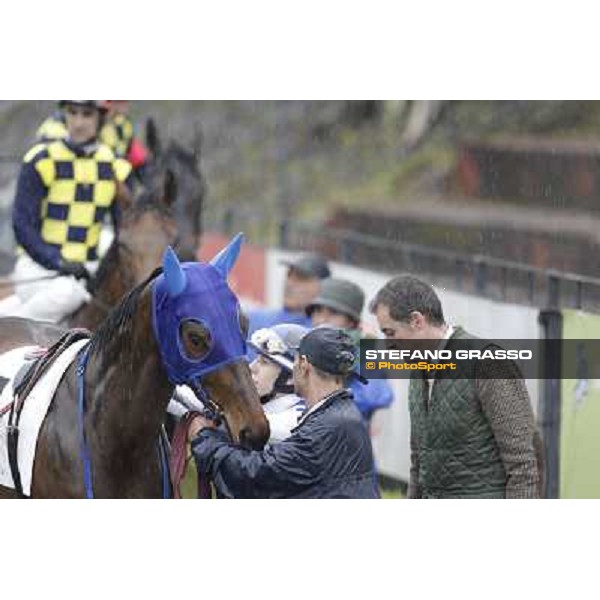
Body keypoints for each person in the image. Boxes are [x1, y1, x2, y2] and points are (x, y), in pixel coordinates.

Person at [370, 274, 541, 499]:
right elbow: (418, 464)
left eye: (391, 333)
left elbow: (524, 466)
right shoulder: (418, 368)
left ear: (417, 321)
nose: (389, 346)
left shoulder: (488, 361)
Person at [187, 327, 380, 498]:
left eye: (263, 361)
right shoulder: (341, 415)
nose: (252, 367)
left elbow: (254, 476)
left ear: (303, 365)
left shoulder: (325, 428)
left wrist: (203, 438)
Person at [0, 101, 133, 323]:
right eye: (72, 113)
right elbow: (22, 226)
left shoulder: (115, 168)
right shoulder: (40, 159)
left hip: (87, 271)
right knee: (68, 294)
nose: (78, 123)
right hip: (37, 268)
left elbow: (124, 230)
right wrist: (59, 262)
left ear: (100, 118)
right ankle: (9, 335)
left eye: (87, 115)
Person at [306, 277, 394, 424]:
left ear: (352, 322)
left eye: (333, 313)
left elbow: (377, 396)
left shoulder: (361, 353)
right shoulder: (302, 344)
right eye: (318, 311)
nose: (322, 319)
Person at [37, 100, 148, 176]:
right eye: (116, 103)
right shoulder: (54, 127)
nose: (122, 109)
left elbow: (137, 158)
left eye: (123, 103)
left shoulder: (122, 126)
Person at [248, 323, 308, 442]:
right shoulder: (271, 406)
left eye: (264, 362)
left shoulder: (293, 422)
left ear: (292, 377)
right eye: (257, 359)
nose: (251, 367)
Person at [247, 253, 331, 336]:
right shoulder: (254, 318)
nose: (290, 283)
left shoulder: (323, 335)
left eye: (301, 278)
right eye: (289, 275)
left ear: (323, 287)